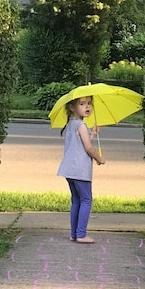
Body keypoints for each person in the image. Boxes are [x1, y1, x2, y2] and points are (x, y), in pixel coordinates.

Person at [57, 96, 106, 243]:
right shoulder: (81, 126)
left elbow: (80, 143)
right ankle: (81, 234)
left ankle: (74, 233)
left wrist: (93, 134)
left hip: (69, 170)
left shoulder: (72, 124)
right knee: (86, 200)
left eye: (89, 103)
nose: (87, 107)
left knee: (76, 200)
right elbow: (88, 148)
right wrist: (99, 158)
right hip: (80, 170)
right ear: (72, 107)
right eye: (82, 104)